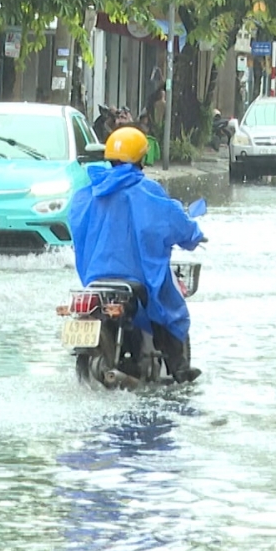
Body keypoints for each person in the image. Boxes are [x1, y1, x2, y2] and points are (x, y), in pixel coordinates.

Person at [67, 126, 205, 383]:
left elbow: (75, 225)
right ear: (142, 157)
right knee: (168, 310)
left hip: (96, 279)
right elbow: (173, 220)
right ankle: (179, 370)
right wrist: (194, 233)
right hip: (136, 278)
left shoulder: (89, 192)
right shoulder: (146, 190)